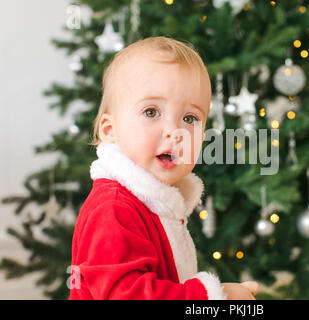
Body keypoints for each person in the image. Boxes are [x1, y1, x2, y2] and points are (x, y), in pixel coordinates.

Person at [69, 36, 258, 300]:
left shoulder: (156, 203)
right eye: (151, 112)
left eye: (190, 118)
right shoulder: (113, 209)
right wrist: (214, 297)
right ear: (110, 130)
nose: (174, 131)